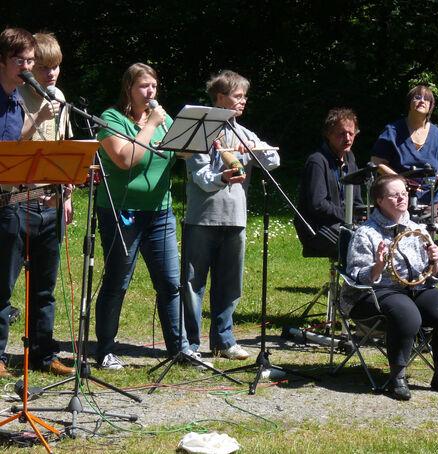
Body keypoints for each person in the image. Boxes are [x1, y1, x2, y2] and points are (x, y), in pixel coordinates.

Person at [94, 63, 188, 370]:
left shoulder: (165, 119)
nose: (150, 92)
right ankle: (106, 350)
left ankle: (179, 349)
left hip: (160, 212)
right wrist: (150, 127)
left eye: (154, 86)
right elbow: (125, 159)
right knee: (118, 281)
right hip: (123, 212)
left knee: (170, 283)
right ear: (128, 90)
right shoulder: (112, 119)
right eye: (143, 87)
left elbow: (183, 153)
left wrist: (191, 144)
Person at [341, 174, 438, 400]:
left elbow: (433, 276)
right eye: (394, 195)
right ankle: (397, 378)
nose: (401, 198)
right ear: (379, 200)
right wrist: (378, 266)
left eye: (404, 193)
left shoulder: (418, 230)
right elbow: (356, 277)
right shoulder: (366, 233)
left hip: (415, 289)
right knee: (405, 312)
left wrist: (435, 262)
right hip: (373, 294)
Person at [183, 70, 280, 360]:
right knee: (193, 283)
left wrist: (253, 149)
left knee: (229, 283)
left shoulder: (243, 132)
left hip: (235, 218)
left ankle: (223, 341)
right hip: (202, 218)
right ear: (220, 98)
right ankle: (189, 344)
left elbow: (274, 159)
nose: (243, 101)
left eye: (244, 96)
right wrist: (222, 177)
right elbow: (200, 176)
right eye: (238, 96)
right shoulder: (200, 131)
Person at [0, 27, 74, 377]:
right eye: (35, 65)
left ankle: (44, 354)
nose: (46, 73)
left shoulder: (56, 97)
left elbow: (64, 150)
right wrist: (37, 119)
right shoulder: (15, 98)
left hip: (50, 202)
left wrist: (67, 195)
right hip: (17, 202)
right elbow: (13, 150)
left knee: (45, 288)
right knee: (5, 284)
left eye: (47, 66)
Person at [370, 85, 438, 215]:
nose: (422, 101)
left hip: (430, 200)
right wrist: (399, 181)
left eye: (427, 99)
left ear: (430, 107)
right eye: (417, 97)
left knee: (427, 235)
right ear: (409, 102)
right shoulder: (392, 131)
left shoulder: (437, 135)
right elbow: (377, 161)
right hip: (397, 198)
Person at [295, 108, 364, 260]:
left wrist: (363, 216)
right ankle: (351, 280)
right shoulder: (317, 161)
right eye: (341, 133)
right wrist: (348, 217)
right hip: (318, 228)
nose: (347, 138)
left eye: (351, 133)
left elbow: (357, 201)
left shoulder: (350, 159)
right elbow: (318, 205)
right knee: (354, 241)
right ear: (328, 134)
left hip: (341, 223)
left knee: (372, 236)